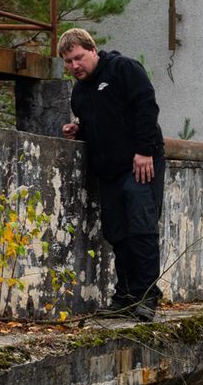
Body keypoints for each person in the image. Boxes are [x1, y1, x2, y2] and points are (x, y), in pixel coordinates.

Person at [59, 27, 166, 320]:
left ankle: (146, 297)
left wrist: (144, 151)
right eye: (68, 62)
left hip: (139, 163)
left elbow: (146, 106)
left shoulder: (123, 69)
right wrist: (77, 130)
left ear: (92, 50)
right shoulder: (80, 93)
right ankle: (126, 296)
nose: (74, 66)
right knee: (117, 233)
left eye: (78, 58)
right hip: (109, 171)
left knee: (141, 228)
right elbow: (100, 122)